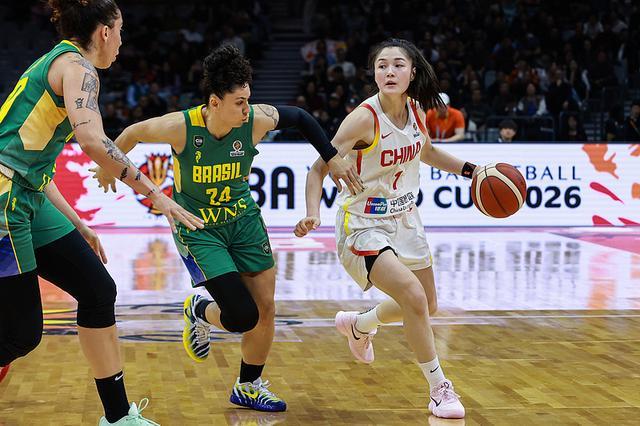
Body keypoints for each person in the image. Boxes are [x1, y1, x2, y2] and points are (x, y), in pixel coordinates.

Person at [91, 44, 363, 413]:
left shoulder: (256, 120)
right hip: (200, 228)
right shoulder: (181, 126)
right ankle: (200, 309)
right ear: (215, 102)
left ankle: (248, 386)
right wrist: (108, 167)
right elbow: (132, 132)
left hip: (243, 221)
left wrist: (331, 158)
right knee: (241, 316)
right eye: (239, 102)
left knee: (266, 308)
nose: (247, 109)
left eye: (248, 100)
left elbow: (300, 117)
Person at [0, 1, 204, 424]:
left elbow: (32, 167)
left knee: (97, 290)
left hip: (27, 194)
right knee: (21, 334)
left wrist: (78, 224)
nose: (122, 41)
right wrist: (157, 194)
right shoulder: (79, 68)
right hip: (6, 201)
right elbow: (93, 140)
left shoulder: (58, 62)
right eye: (121, 30)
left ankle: (117, 416)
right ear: (105, 32)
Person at [294, 38, 477, 419]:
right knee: (412, 296)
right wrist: (313, 212)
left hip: (406, 218)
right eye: (382, 66)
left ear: (412, 72)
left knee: (427, 304)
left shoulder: (416, 109)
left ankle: (360, 325)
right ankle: (439, 389)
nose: (389, 72)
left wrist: (471, 171)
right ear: (374, 74)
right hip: (363, 223)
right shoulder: (363, 118)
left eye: (397, 65)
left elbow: (426, 151)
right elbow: (317, 168)